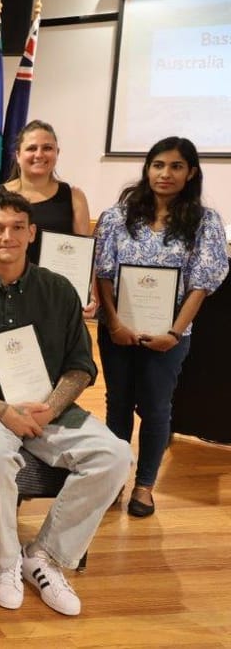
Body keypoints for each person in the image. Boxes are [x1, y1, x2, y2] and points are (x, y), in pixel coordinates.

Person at [0, 190, 130, 616]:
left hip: (50, 410)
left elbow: (81, 365)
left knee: (117, 455)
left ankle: (44, 557)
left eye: (16, 228)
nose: (6, 237)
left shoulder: (59, 290)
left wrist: (51, 406)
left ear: (32, 233)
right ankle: (6, 562)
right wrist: (1, 411)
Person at [94, 137, 228, 517]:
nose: (164, 174)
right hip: (117, 329)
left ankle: (144, 485)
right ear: (147, 168)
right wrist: (115, 323)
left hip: (170, 335)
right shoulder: (116, 216)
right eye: (157, 165)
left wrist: (173, 333)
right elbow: (103, 274)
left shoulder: (205, 222)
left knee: (155, 408)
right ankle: (114, 479)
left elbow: (202, 284)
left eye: (175, 166)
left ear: (191, 173)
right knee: (117, 404)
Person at [0, 121, 96, 314]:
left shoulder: (74, 197)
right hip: (5, 297)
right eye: (32, 148)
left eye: (47, 148)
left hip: (54, 300)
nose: (39, 155)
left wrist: (86, 293)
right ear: (17, 154)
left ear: (57, 152)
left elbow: (83, 258)